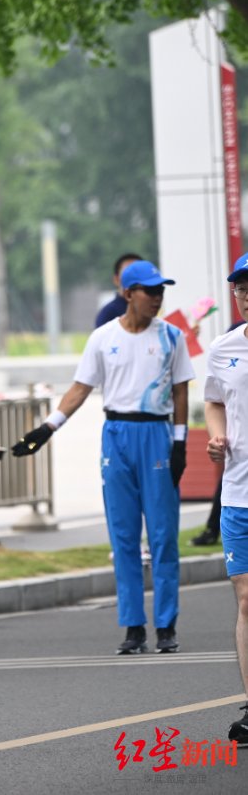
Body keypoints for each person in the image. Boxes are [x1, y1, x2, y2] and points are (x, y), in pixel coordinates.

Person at [13, 259, 192, 654]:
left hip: (156, 435)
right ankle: (133, 625)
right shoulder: (102, 338)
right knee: (123, 534)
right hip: (116, 435)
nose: (157, 297)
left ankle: (166, 624)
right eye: (150, 291)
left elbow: (181, 391)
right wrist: (46, 429)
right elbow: (80, 389)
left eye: (161, 290)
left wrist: (180, 443)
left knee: (163, 535)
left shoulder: (172, 337)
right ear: (128, 294)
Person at [202, 253, 248, 744]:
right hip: (239, 490)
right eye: (241, 288)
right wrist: (218, 437)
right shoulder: (223, 348)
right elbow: (214, 400)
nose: (247, 296)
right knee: (246, 597)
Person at [94, 253, 144, 329]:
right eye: (128, 274)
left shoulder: (152, 306)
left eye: (138, 273)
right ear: (116, 279)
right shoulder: (108, 314)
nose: (134, 278)